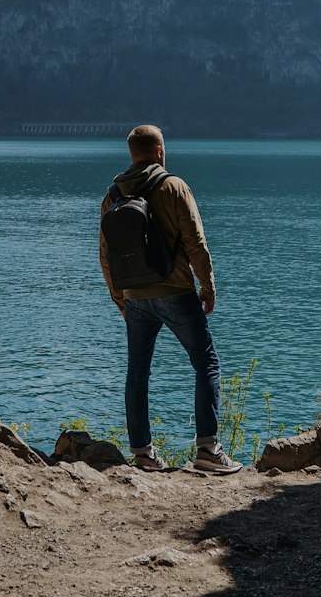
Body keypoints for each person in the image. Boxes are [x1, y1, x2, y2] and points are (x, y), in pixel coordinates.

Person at [99, 124, 242, 474]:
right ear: (160, 151)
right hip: (175, 291)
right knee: (205, 362)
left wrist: (119, 298)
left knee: (137, 374)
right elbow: (196, 242)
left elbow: (105, 254)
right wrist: (208, 288)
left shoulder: (113, 195)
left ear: (132, 154)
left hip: (133, 296)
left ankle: (143, 455)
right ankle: (208, 450)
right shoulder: (173, 186)